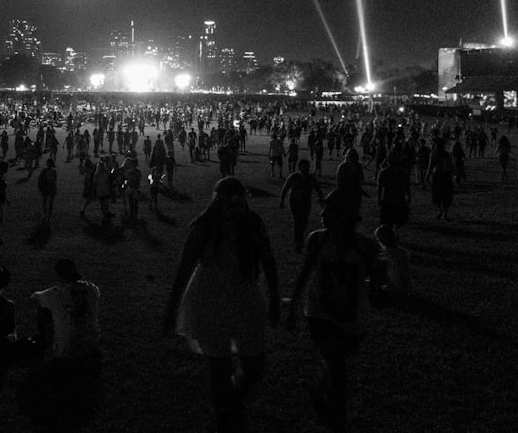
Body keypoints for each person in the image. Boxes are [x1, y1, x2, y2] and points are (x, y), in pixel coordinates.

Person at [164, 177, 280, 433]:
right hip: (209, 299)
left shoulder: (252, 223)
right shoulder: (204, 226)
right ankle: (224, 417)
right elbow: (184, 268)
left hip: (245, 298)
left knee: (255, 365)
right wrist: (171, 309)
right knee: (219, 367)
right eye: (228, 202)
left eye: (239, 201)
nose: (233, 208)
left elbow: (269, 261)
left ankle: (233, 398)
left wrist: (274, 298)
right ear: (218, 202)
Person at [286, 191, 382, 433]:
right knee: (339, 372)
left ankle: (318, 391)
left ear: (345, 215)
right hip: (319, 312)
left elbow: (377, 280)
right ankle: (337, 422)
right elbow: (305, 274)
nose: (321, 215)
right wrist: (293, 308)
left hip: (352, 315)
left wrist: (377, 281)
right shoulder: (317, 240)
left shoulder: (364, 245)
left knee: (336, 365)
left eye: (328, 211)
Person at [31, 258, 101, 362]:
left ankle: (45, 345)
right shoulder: (93, 288)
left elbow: (33, 298)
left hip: (65, 351)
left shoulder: (52, 295)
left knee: (42, 312)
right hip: (91, 345)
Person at [280, 159, 325, 253]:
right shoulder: (293, 177)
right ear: (300, 167)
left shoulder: (311, 178)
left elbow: (318, 189)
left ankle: (299, 239)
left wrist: (322, 199)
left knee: (304, 222)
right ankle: (298, 243)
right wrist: (281, 201)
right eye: (304, 166)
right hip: (294, 203)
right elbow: (285, 189)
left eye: (307, 167)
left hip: (306, 203)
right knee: (297, 221)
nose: (306, 169)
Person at [374, 225, 412, 300]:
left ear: (380, 240)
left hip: (393, 291)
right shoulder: (402, 252)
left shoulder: (384, 255)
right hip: (406, 289)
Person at [37, 158, 58, 226]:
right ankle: (49, 217)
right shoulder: (54, 171)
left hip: (46, 188)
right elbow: (55, 180)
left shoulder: (44, 171)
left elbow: (40, 179)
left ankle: (45, 215)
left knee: (45, 202)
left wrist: (41, 186)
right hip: (51, 188)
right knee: (50, 203)